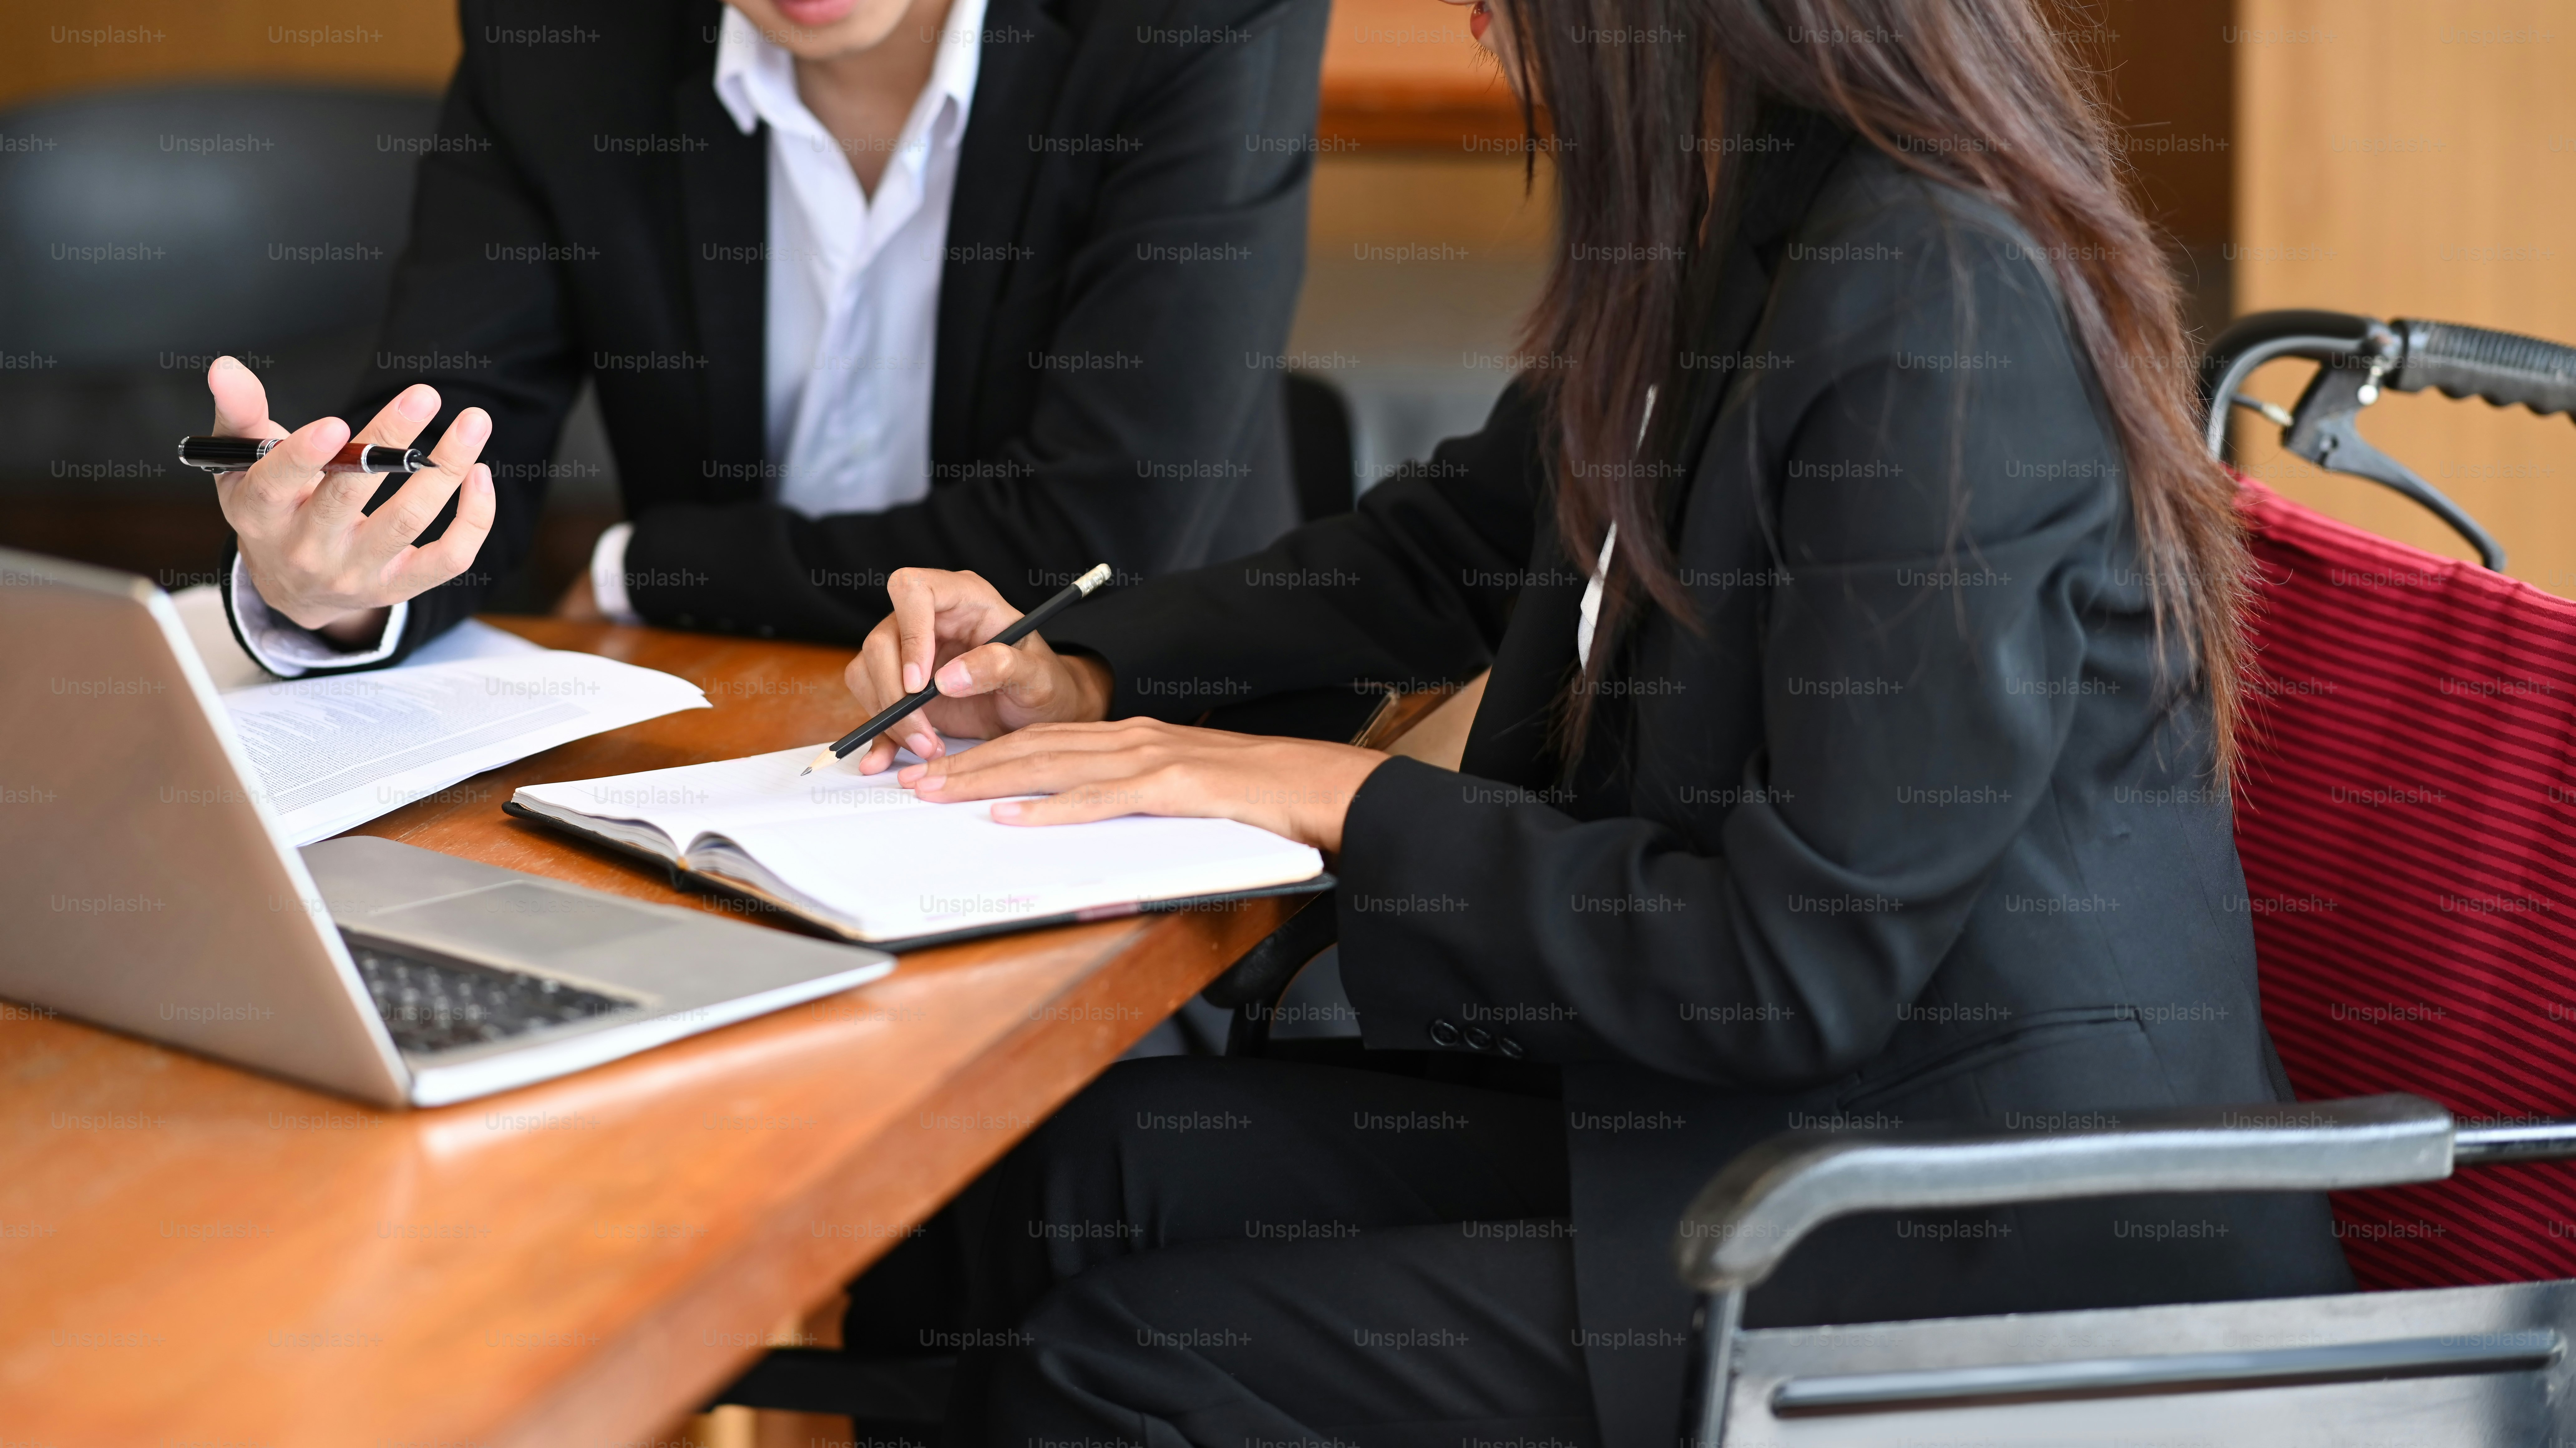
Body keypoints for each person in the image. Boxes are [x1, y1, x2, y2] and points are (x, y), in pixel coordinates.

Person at [821, 0, 2353, 1444]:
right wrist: (1079, 661)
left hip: (1980, 1236)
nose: (1485, 18)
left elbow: (1791, 964)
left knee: (1132, 1368)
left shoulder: (1941, 310)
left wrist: (1335, 796)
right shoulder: (1742, 221)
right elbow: (1447, 544)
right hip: (1761, 1132)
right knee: (1048, 1184)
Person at [200, 0, 1326, 677]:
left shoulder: (1195, 17)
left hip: (1109, 727)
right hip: (715, 743)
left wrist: (649, 569)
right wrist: (335, 577)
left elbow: (1094, 536)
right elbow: (445, 448)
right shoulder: (558, 38)